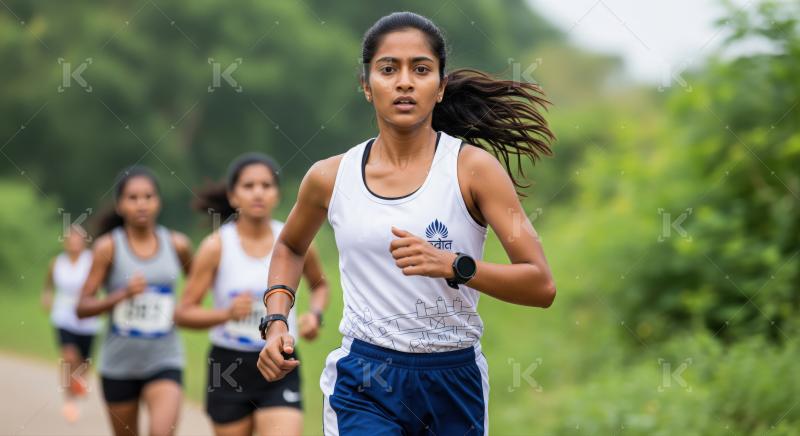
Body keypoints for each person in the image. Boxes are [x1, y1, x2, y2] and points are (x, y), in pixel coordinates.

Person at [256, 11, 557, 435]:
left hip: (455, 378)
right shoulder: (329, 176)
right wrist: (276, 322)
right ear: (366, 86)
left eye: (420, 69)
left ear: (440, 87)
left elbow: (540, 285)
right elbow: (289, 247)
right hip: (366, 379)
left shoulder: (474, 171)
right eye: (387, 69)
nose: (404, 81)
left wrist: (456, 266)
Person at [175, 153, 330, 436]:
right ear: (233, 196)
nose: (258, 192)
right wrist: (225, 314)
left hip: (280, 359)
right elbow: (183, 312)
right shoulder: (216, 246)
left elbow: (320, 285)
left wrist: (315, 315)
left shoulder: (294, 239)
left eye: (266, 185)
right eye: (248, 186)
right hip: (228, 367)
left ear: (277, 194)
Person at [76, 166, 193, 436]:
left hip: (165, 360)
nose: (142, 204)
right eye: (133, 197)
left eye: (148, 196)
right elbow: (82, 307)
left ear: (158, 202)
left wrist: (183, 309)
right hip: (119, 364)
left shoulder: (178, 244)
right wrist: (122, 295)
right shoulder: (108, 247)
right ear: (119, 204)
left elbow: (197, 286)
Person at [41, 224, 101, 423]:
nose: (74, 243)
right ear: (65, 242)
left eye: (78, 239)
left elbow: (99, 285)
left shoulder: (92, 262)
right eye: (70, 239)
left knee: (84, 362)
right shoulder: (56, 263)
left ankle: (78, 381)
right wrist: (47, 297)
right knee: (68, 356)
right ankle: (69, 401)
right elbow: (48, 285)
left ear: (84, 242)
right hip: (63, 316)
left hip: (87, 319)